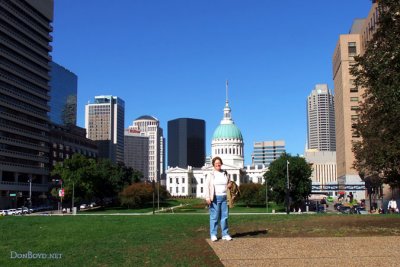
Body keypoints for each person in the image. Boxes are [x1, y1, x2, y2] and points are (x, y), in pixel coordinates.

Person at [205, 156, 233, 242]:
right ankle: (213, 234)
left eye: (219, 163)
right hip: (215, 198)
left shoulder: (225, 173)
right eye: (216, 163)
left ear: (221, 164)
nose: (218, 164)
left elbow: (229, 183)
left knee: (224, 217)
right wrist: (207, 197)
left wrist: (229, 185)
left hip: (224, 197)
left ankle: (225, 234)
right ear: (213, 164)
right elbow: (207, 186)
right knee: (214, 217)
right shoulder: (211, 174)